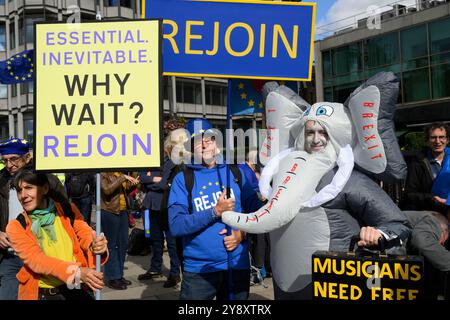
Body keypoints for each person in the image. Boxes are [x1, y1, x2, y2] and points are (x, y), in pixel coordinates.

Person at [168, 118, 262, 300]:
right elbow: (176, 225)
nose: (204, 145)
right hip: (199, 272)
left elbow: (259, 214)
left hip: (236, 266)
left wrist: (242, 234)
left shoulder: (235, 173)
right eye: (197, 141)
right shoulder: (183, 179)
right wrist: (215, 211)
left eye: (208, 139)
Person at [6, 170, 108, 300]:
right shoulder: (16, 226)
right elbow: (36, 261)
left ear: (45, 188)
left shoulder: (68, 210)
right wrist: (76, 272)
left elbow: (85, 233)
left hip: (76, 288)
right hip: (44, 294)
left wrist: (95, 245)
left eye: (29, 188)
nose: (23, 196)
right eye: (19, 191)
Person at [0, 138, 67, 300]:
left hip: (43, 255)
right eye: (5, 160)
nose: (9, 165)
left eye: (14, 159)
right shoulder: (2, 180)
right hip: (10, 256)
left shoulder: (45, 179)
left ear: (27, 157)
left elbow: (65, 210)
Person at [137, 132, 184, 288]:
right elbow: (142, 178)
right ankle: (155, 268)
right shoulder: (154, 159)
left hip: (167, 206)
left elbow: (163, 184)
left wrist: (153, 180)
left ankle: (175, 273)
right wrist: (153, 179)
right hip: (152, 205)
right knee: (154, 240)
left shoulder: (175, 162)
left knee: (171, 242)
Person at [100, 171, 139, 290]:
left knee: (123, 243)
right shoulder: (103, 173)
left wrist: (133, 183)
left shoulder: (120, 173)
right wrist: (122, 178)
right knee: (112, 245)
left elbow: (124, 192)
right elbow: (106, 190)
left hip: (123, 212)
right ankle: (112, 277)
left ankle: (119, 274)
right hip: (109, 211)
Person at [403, 123, 450, 216]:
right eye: (433, 137)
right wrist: (432, 199)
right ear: (427, 141)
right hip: (429, 212)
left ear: (447, 140)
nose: (438, 141)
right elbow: (410, 194)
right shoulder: (417, 162)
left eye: (442, 137)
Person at [405, 210, 450, 299]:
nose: (441, 245)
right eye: (443, 242)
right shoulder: (433, 220)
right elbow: (421, 241)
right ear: (445, 232)